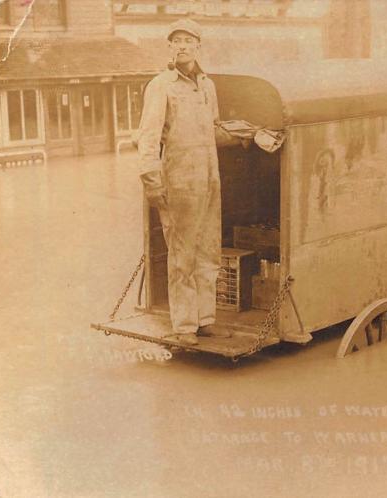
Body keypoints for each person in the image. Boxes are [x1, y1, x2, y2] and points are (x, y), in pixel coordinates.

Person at [136, 19, 234, 345]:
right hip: (178, 183)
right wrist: (153, 182)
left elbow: (215, 128)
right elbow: (148, 139)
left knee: (209, 253)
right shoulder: (161, 85)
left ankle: (205, 319)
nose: (182, 46)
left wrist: (250, 134)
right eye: (176, 41)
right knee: (182, 256)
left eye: (188, 41)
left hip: (209, 180)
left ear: (198, 46)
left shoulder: (207, 85)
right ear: (169, 47)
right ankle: (184, 326)